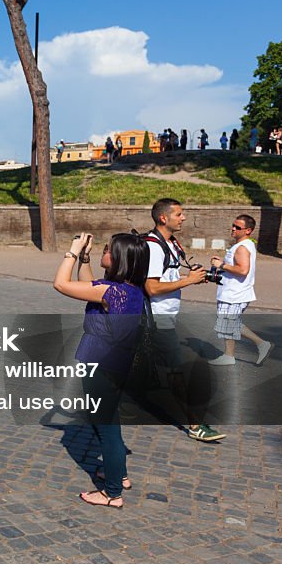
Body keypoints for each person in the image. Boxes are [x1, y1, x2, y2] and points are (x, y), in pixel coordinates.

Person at [54, 231, 149, 508]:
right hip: (116, 366)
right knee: (109, 423)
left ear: (119, 258)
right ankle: (118, 474)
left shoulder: (112, 292)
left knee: (105, 428)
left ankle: (111, 492)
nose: (102, 252)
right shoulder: (127, 290)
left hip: (101, 368)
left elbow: (61, 284)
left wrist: (71, 251)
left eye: (107, 250)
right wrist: (85, 258)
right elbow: (91, 286)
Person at [145, 198, 224, 443]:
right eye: (179, 214)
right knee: (175, 370)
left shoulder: (170, 243)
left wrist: (189, 277)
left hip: (166, 314)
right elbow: (152, 287)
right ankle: (194, 424)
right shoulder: (153, 247)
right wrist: (187, 281)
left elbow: (166, 276)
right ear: (163, 218)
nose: (184, 217)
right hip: (157, 317)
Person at [208, 215, 273, 366]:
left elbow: (243, 270)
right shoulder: (244, 245)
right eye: (233, 225)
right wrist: (223, 264)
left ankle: (260, 344)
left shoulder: (242, 247)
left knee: (229, 323)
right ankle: (230, 355)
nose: (233, 229)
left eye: (238, 227)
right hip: (234, 292)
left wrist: (221, 265)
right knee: (229, 323)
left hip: (235, 294)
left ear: (248, 230)